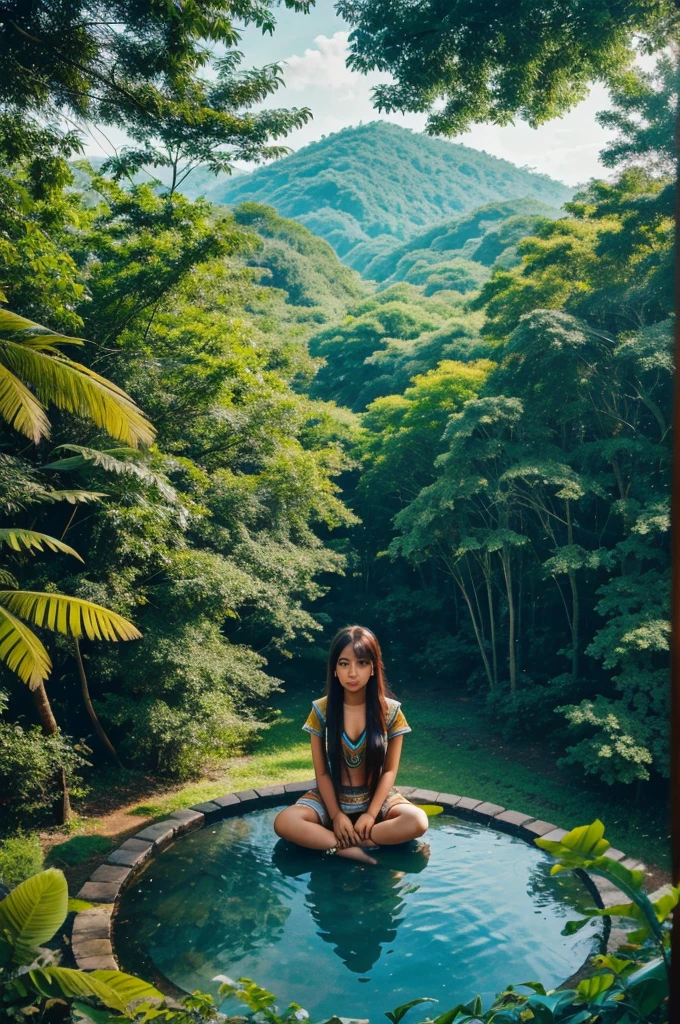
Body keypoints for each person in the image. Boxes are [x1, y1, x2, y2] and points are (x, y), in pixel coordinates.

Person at [273, 624, 428, 865]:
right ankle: (353, 850)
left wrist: (370, 814)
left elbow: (389, 771)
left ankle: (344, 841)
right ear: (334, 669)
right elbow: (322, 772)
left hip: (376, 797)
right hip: (331, 797)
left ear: (373, 668)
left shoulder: (391, 712)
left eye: (362, 663)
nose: (352, 673)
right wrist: (335, 815)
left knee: (417, 821)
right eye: (344, 663)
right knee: (284, 822)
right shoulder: (321, 710)